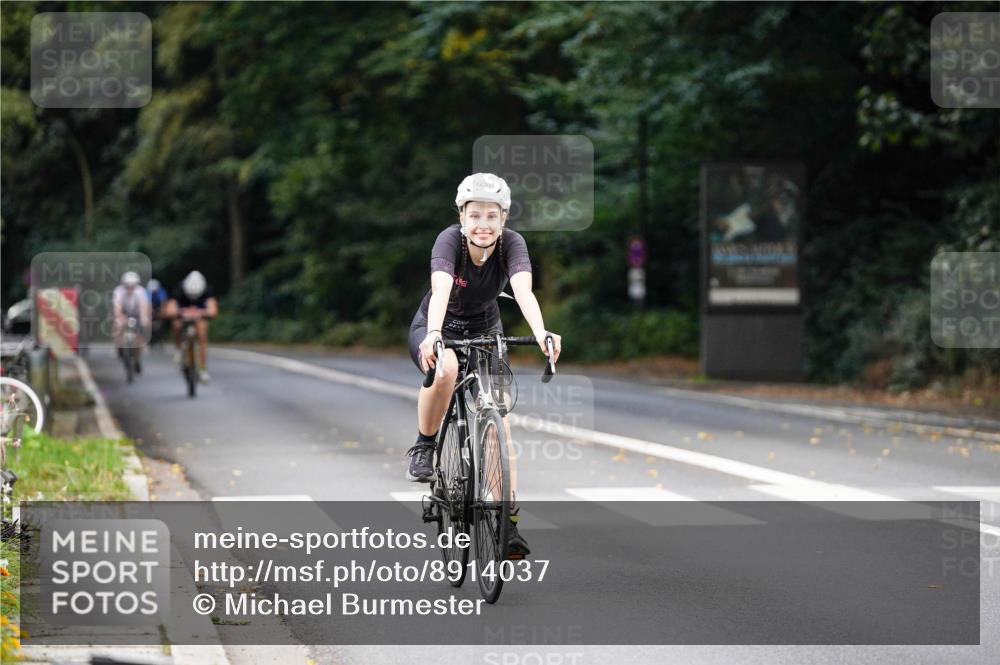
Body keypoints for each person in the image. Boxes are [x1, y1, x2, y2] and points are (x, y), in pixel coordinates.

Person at [405, 173, 562, 559]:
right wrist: (435, 334)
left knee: (500, 424)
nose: (483, 225)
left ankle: (507, 525)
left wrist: (542, 332)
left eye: (492, 216)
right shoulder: (448, 242)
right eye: (475, 216)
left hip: (486, 327)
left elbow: (523, 291)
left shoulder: (512, 245)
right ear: (462, 216)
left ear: (503, 218)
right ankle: (424, 446)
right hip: (437, 324)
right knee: (446, 369)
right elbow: (441, 289)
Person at [163, 271, 218, 383]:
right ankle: (178, 349)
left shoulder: (207, 290)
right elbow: (169, 310)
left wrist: (200, 312)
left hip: (200, 310)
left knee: (202, 332)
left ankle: (202, 368)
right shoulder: (180, 289)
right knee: (177, 325)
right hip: (183, 308)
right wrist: (181, 311)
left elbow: (213, 311)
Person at [111, 271, 152, 373]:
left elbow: (144, 306)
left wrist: (144, 318)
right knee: (117, 326)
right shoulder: (118, 291)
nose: (130, 288)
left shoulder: (141, 291)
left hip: (137, 315)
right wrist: (120, 317)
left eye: (132, 286)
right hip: (124, 313)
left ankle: (137, 359)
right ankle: (118, 346)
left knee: (140, 334)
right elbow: (117, 308)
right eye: (127, 286)